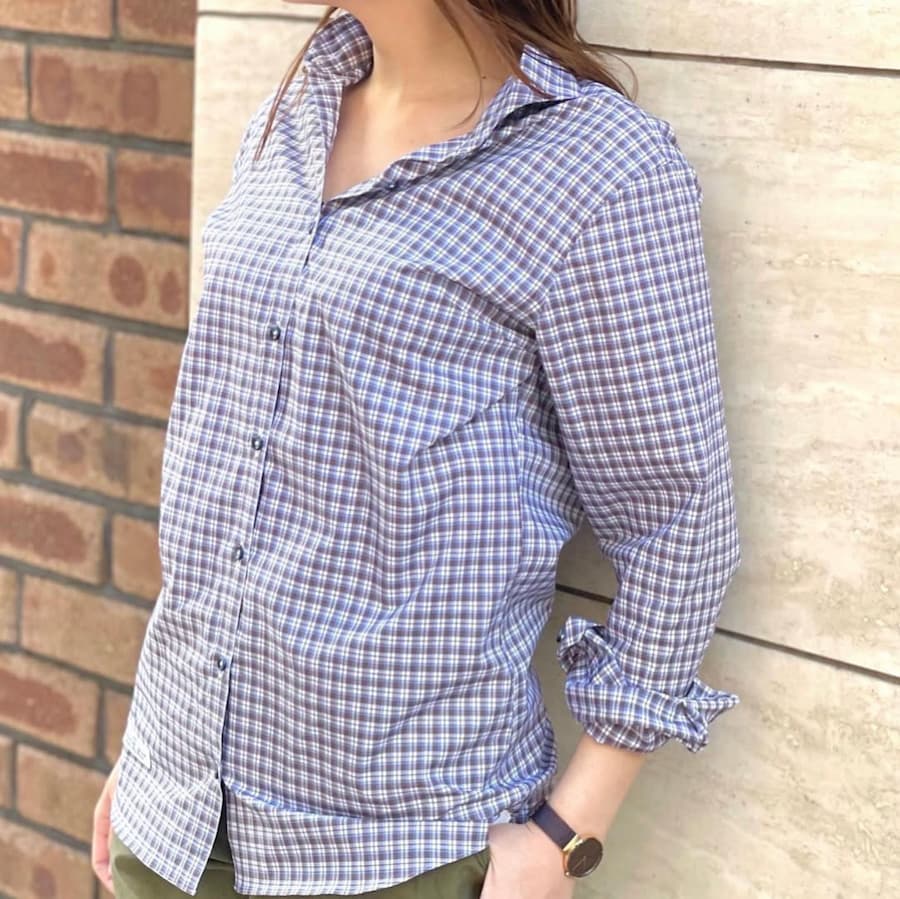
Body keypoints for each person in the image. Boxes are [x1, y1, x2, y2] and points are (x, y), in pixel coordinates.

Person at [91, 1, 743, 897]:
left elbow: (678, 520)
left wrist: (569, 834)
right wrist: (158, 753)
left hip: (399, 854)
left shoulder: (597, 168)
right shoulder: (296, 110)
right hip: (172, 823)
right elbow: (231, 463)